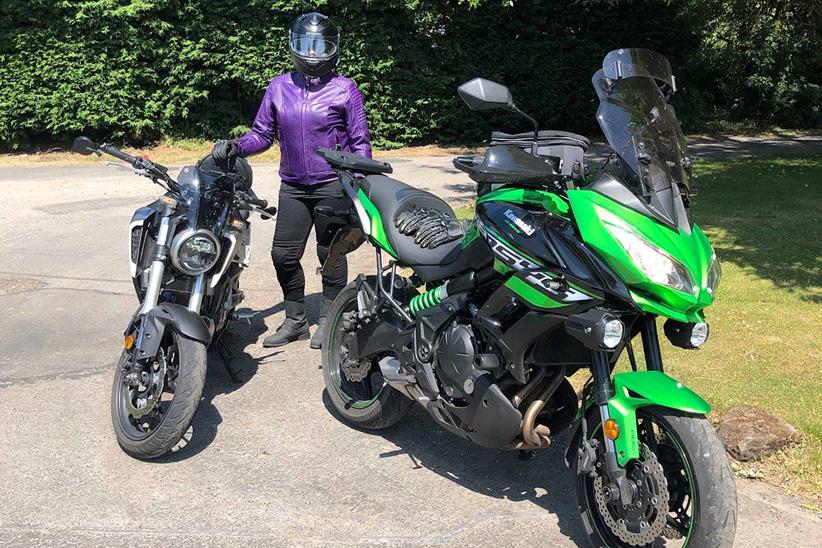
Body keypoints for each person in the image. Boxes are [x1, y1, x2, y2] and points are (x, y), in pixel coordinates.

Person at [212, 12, 372, 349]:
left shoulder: (345, 89)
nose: (312, 53)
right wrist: (237, 146)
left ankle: (329, 320)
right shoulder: (279, 86)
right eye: (306, 45)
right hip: (294, 186)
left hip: (333, 183)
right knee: (283, 254)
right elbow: (261, 134)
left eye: (320, 46)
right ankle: (296, 320)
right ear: (294, 45)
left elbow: (360, 143)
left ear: (333, 49)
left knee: (331, 254)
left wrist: (360, 183)